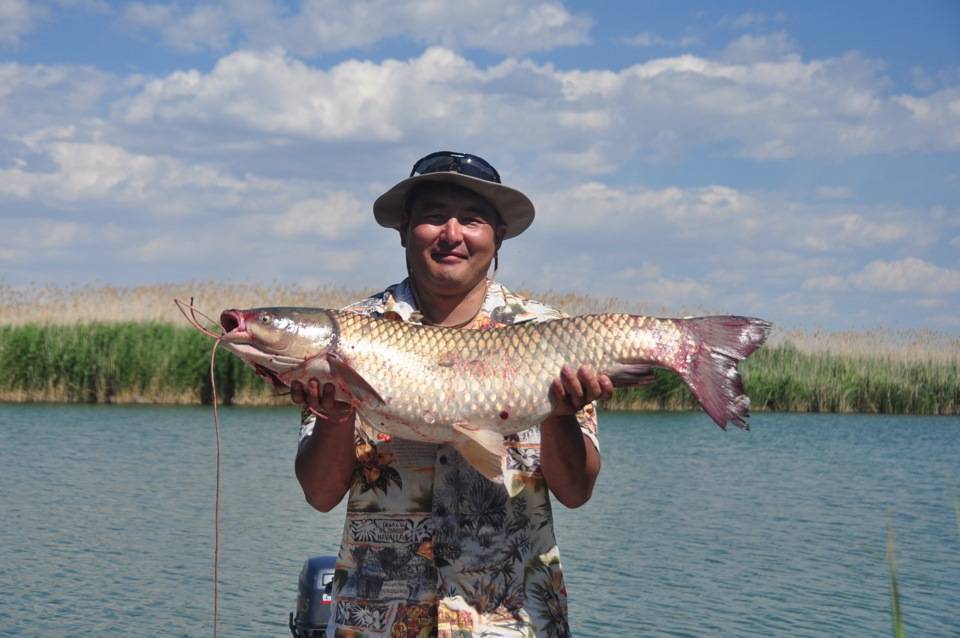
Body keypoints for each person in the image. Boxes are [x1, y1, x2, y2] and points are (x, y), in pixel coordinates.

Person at [292, 151, 643, 637]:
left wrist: (558, 413)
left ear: (497, 236)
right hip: (378, 620)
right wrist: (333, 416)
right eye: (434, 216)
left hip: (513, 621)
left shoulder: (550, 336)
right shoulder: (349, 335)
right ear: (403, 230)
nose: (452, 234)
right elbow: (320, 493)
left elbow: (576, 491)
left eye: (472, 220)